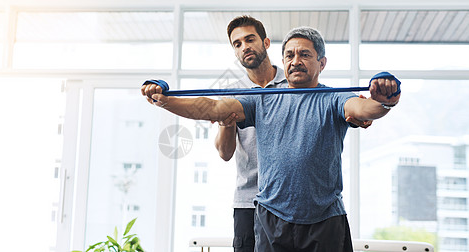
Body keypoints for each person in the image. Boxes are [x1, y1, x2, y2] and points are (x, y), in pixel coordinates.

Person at [142, 26, 400, 251]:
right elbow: (213, 108)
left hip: (324, 220)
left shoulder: (333, 98)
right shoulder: (264, 98)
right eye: (289, 55)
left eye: (305, 54)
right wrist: (166, 100)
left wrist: (385, 101)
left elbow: (364, 109)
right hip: (271, 218)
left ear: (321, 63)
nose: (295, 61)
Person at [213, 16, 372, 252]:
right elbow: (225, 153)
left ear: (266, 43)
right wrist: (226, 119)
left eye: (249, 39)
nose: (244, 47)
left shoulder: (293, 79)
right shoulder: (235, 95)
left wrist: (367, 110)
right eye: (237, 44)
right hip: (250, 202)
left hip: (303, 204)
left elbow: (347, 110)